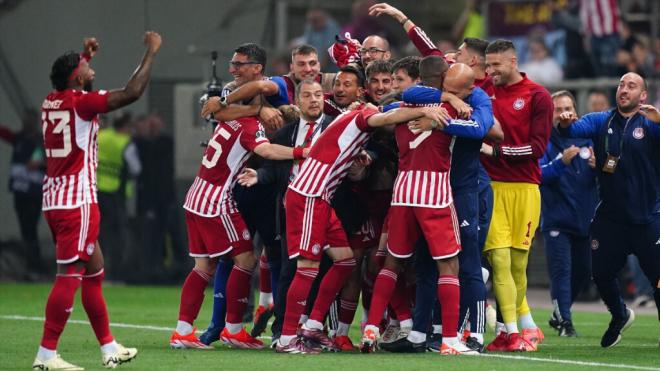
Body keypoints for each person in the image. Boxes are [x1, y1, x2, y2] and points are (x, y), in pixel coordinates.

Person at [276, 103, 450, 354]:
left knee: (345, 262)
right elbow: (389, 116)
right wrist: (424, 112)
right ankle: (287, 338)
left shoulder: (353, 122)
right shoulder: (364, 116)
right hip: (309, 195)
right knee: (307, 267)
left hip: (322, 197)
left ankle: (313, 326)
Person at [33, 32, 161, 370]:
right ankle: (46, 355)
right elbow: (132, 92)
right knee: (68, 277)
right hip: (78, 201)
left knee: (94, 273)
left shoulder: (51, 100)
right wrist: (150, 51)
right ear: (76, 76)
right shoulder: (81, 103)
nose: (90, 69)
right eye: (85, 66)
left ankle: (108, 348)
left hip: (55, 198)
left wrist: (85, 57)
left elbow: (76, 88)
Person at [170, 101, 307, 350]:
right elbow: (267, 152)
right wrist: (302, 152)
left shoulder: (229, 120)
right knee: (245, 260)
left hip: (197, 196)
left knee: (204, 264)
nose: (276, 128)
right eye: (275, 122)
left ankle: (183, 330)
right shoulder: (251, 127)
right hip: (216, 201)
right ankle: (232, 329)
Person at [557, 72, 660, 348]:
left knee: (658, 278)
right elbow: (572, 132)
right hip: (612, 218)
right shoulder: (602, 120)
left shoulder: (651, 123)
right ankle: (619, 314)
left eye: (632, 86)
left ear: (644, 95)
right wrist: (565, 124)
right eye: (622, 85)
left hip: (649, 216)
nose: (624, 89)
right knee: (601, 273)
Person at [236, 80, 336, 344]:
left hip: (327, 210)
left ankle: (314, 327)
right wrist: (259, 174)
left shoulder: (335, 129)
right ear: (298, 102)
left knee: (329, 267)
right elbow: (273, 168)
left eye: (318, 95)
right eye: (307, 95)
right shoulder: (285, 134)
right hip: (292, 212)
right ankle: (283, 329)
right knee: (290, 271)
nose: (314, 100)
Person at [480, 39, 552, 352]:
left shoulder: (538, 95)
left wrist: (495, 151)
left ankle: (516, 330)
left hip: (526, 188)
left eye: (496, 65)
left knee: (518, 266)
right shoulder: (482, 89)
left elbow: (537, 149)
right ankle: (510, 332)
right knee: (499, 259)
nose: (490, 70)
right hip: (492, 186)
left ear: (513, 61)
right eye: (488, 64)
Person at [540, 90, 597, 337]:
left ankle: (559, 313)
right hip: (557, 219)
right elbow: (537, 175)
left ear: (576, 110)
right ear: (551, 114)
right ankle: (566, 322)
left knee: (584, 271)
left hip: (584, 219)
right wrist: (560, 162)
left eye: (569, 108)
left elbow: (608, 173)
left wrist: (599, 168)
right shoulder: (544, 141)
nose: (565, 113)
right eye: (559, 109)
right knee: (561, 271)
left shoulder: (588, 138)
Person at [96, 113, 141, 281]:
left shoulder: (101, 136)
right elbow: (136, 169)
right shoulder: (126, 143)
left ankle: (95, 270)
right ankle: (114, 273)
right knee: (116, 236)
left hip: (96, 190)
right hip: (116, 194)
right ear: (126, 126)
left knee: (98, 234)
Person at [0, 109, 46, 272]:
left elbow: (46, 160)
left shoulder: (41, 141)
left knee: (31, 227)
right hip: (20, 191)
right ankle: (31, 263)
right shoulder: (19, 138)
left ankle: (35, 265)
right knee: (25, 228)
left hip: (34, 192)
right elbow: (5, 133)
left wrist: (39, 163)